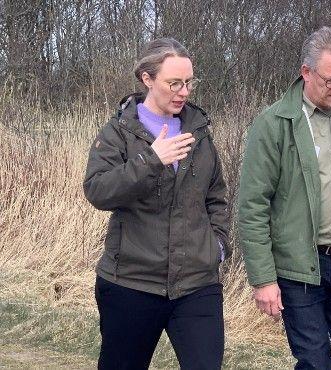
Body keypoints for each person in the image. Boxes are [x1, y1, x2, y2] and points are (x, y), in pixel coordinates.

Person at [238, 26, 331, 370]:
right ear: (306, 72)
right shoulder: (274, 123)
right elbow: (252, 206)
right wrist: (263, 279)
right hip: (300, 266)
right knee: (315, 362)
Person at [83, 38, 229, 369]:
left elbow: (216, 196)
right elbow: (98, 191)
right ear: (148, 80)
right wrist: (151, 160)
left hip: (197, 283)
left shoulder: (199, 131)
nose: (184, 91)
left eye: (189, 82)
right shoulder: (119, 132)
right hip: (131, 283)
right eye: (174, 83)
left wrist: (216, 247)